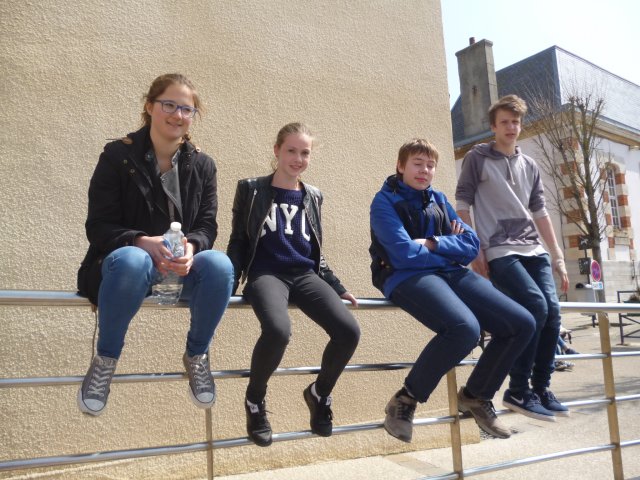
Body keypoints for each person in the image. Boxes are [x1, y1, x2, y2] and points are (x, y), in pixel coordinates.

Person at [76, 73, 234, 416]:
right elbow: (98, 226)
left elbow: (206, 225)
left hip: (178, 271)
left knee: (220, 265)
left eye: (187, 109)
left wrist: (192, 248)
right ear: (150, 107)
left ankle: (197, 356)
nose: (178, 115)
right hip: (126, 271)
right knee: (133, 259)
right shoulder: (117, 155)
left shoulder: (203, 165)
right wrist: (141, 241)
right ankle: (105, 361)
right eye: (169, 105)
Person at [370, 138, 535, 442]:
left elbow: (471, 245)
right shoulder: (383, 202)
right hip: (404, 276)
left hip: (449, 272)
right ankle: (405, 399)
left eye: (430, 165)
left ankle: (475, 395)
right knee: (464, 329)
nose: (425, 170)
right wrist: (449, 248)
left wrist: (432, 243)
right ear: (401, 166)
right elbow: (402, 254)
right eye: (417, 164)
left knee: (521, 323)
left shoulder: (439, 200)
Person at [227, 122, 360, 447]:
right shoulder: (251, 189)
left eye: (305, 153)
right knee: (278, 330)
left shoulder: (313, 195)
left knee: (348, 331)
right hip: (266, 274)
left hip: (304, 275)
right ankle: (255, 401)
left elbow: (316, 249)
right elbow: (239, 240)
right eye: (291, 150)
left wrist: (336, 285)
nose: (298, 159)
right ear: (277, 150)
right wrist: (229, 282)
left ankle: (319, 394)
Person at [456, 94, 571, 421]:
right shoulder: (477, 158)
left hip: (534, 249)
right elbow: (462, 204)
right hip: (499, 249)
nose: (511, 127)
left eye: (516, 122)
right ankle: (518, 390)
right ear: (493, 126)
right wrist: (475, 247)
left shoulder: (530, 165)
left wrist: (557, 256)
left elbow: (540, 213)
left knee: (552, 312)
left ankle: (541, 388)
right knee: (535, 306)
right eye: (504, 122)